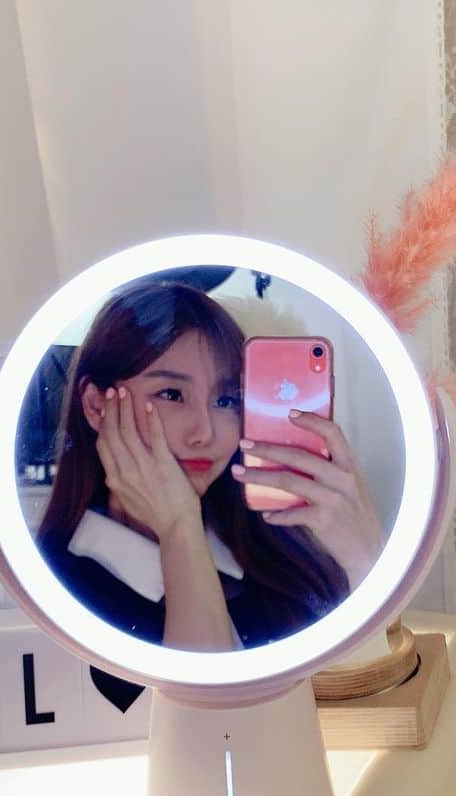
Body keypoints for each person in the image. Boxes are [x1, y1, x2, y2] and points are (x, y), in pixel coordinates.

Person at [35, 277, 384, 654]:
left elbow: (364, 677)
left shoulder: (280, 553)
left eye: (225, 400)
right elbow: (208, 691)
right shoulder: (56, 588)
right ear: (95, 406)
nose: (204, 432)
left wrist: (365, 559)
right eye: (172, 394)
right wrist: (178, 526)